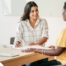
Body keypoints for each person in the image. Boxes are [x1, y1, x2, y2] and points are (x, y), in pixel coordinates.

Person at [31, 2, 66, 66]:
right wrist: (56, 47)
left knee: (32, 65)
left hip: (62, 62)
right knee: (33, 63)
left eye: (63, 10)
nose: (62, 13)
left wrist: (36, 49)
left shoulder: (65, 31)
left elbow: (57, 52)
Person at [14, 1, 48, 66]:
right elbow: (18, 38)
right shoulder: (21, 24)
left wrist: (36, 44)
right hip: (27, 55)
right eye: (32, 11)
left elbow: (45, 37)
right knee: (31, 64)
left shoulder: (43, 22)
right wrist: (17, 42)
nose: (35, 13)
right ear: (28, 12)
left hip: (41, 54)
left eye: (36, 10)